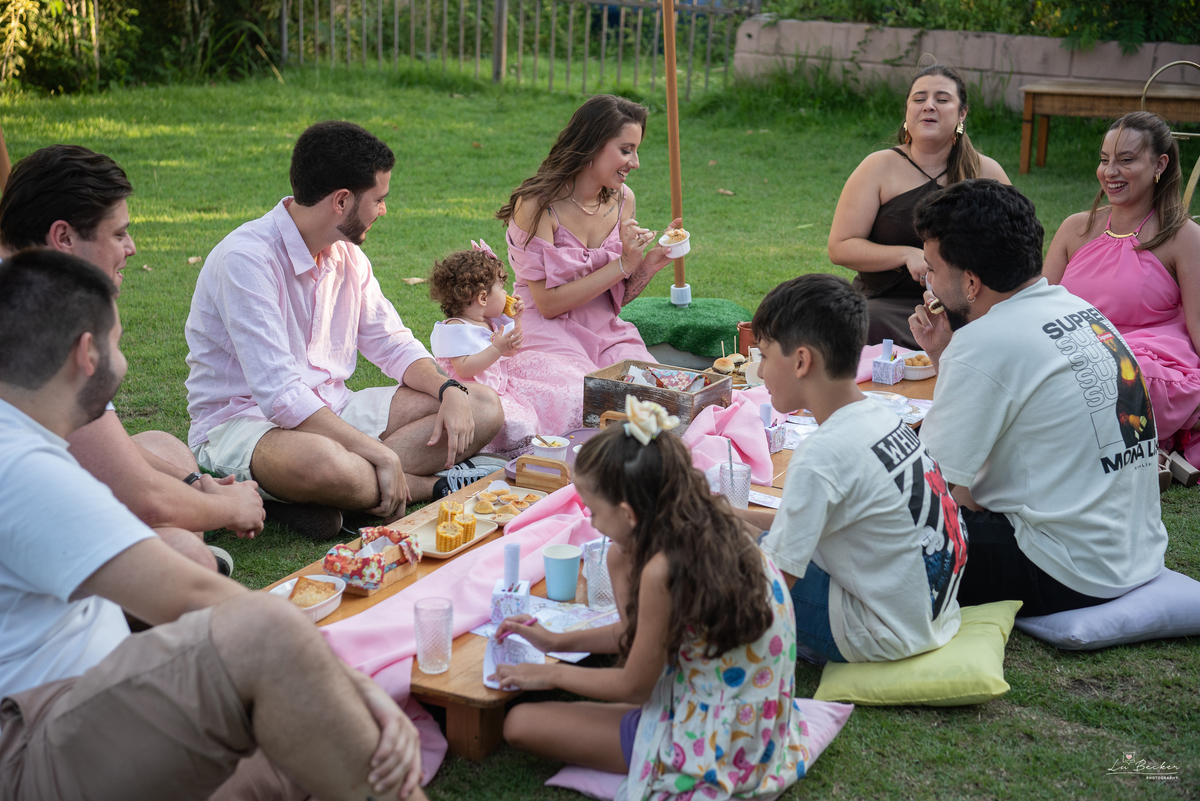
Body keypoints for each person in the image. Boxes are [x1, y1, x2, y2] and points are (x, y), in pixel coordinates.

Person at [0, 249, 425, 801]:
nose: (122, 361)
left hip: (83, 698)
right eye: (118, 344)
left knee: (308, 736)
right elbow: (197, 597)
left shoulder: (24, 440)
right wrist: (351, 684)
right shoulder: (25, 470)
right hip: (34, 735)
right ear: (87, 354)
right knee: (273, 642)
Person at [185, 121, 505, 539]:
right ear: (341, 201)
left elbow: (392, 343)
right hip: (245, 425)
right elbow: (280, 394)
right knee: (324, 463)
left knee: (482, 405)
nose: (383, 210)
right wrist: (380, 455)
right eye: (379, 199)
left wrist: (449, 390)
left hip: (334, 409)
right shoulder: (246, 260)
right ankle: (430, 486)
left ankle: (331, 499)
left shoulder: (347, 257)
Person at [491, 397, 810, 801]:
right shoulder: (716, 522)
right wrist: (556, 641)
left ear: (628, 513)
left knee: (520, 724)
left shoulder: (664, 568)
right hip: (758, 724)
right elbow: (641, 633)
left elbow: (636, 686)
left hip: (713, 741)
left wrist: (549, 675)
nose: (592, 523)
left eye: (593, 511)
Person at [0, 144, 264, 573]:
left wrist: (196, 484)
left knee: (166, 449)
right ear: (64, 238)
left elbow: (101, 447)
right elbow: (144, 498)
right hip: (22, 524)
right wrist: (232, 508)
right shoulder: (41, 319)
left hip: (37, 489)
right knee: (184, 554)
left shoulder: (32, 287)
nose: (132, 247)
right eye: (119, 234)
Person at [909, 179, 1168, 616]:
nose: (929, 282)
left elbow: (924, 485)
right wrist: (943, 356)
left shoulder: (985, 342)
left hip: (1064, 569)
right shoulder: (1079, 310)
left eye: (932, 270)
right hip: (1132, 551)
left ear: (970, 282)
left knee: (884, 534)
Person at [736, 274, 966, 663]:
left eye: (764, 356)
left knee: (712, 554)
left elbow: (774, 588)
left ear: (801, 360)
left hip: (882, 632)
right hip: (931, 613)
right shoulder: (886, 418)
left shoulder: (820, 454)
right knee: (732, 529)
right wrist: (729, 514)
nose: (759, 373)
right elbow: (805, 525)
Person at [1044, 111, 1200, 470]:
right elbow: (1036, 307)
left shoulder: (1183, 237)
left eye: (1126, 160)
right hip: (1075, 355)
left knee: (1118, 374)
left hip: (1148, 363)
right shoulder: (1075, 229)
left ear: (1160, 164)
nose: (1110, 171)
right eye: (1104, 160)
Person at [828, 64, 1010, 349]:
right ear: (907, 111)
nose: (929, 106)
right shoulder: (878, 167)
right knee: (857, 322)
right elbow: (840, 247)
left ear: (962, 113)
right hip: (883, 304)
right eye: (919, 99)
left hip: (964, 308)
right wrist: (906, 254)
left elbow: (1013, 249)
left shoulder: (986, 172)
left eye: (942, 99)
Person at [498, 95, 681, 371]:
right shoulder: (537, 205)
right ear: (592, 145)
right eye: (626, 150)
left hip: (606, 333)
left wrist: (647, 266)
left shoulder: (623, 200)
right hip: (546, 329)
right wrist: (623, 264)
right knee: (580, 389)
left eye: (636, 151)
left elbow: (612, 298)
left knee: (652, 385)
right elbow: (548, 305)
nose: (635, 162)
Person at [427, 242, 591, 458]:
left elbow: (511, 351)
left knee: (559, 382)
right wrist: (497, 348)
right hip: (475, 392)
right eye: (501, 288)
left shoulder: (490, 320)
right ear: (483, 298)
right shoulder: (455, 328)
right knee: (519, 419)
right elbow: (464, 368)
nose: (506, 293)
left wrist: (517, 320)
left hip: (501, 380)